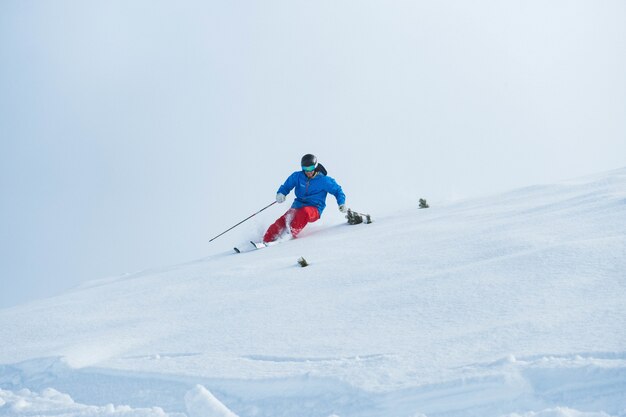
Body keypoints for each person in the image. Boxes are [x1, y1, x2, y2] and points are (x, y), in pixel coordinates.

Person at [263, 154, 347, 243]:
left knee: (304, 212)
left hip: (314, 208)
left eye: (311, 168)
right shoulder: (298, 176)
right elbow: (286, 186)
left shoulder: (324, 180)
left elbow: (337, 191)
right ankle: (266, 239)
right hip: (298, 205)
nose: (308, 171)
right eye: (305, 168)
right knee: (284, 219)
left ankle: (289, 234)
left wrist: (341, 203)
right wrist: (281, 193)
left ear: (315, 166)